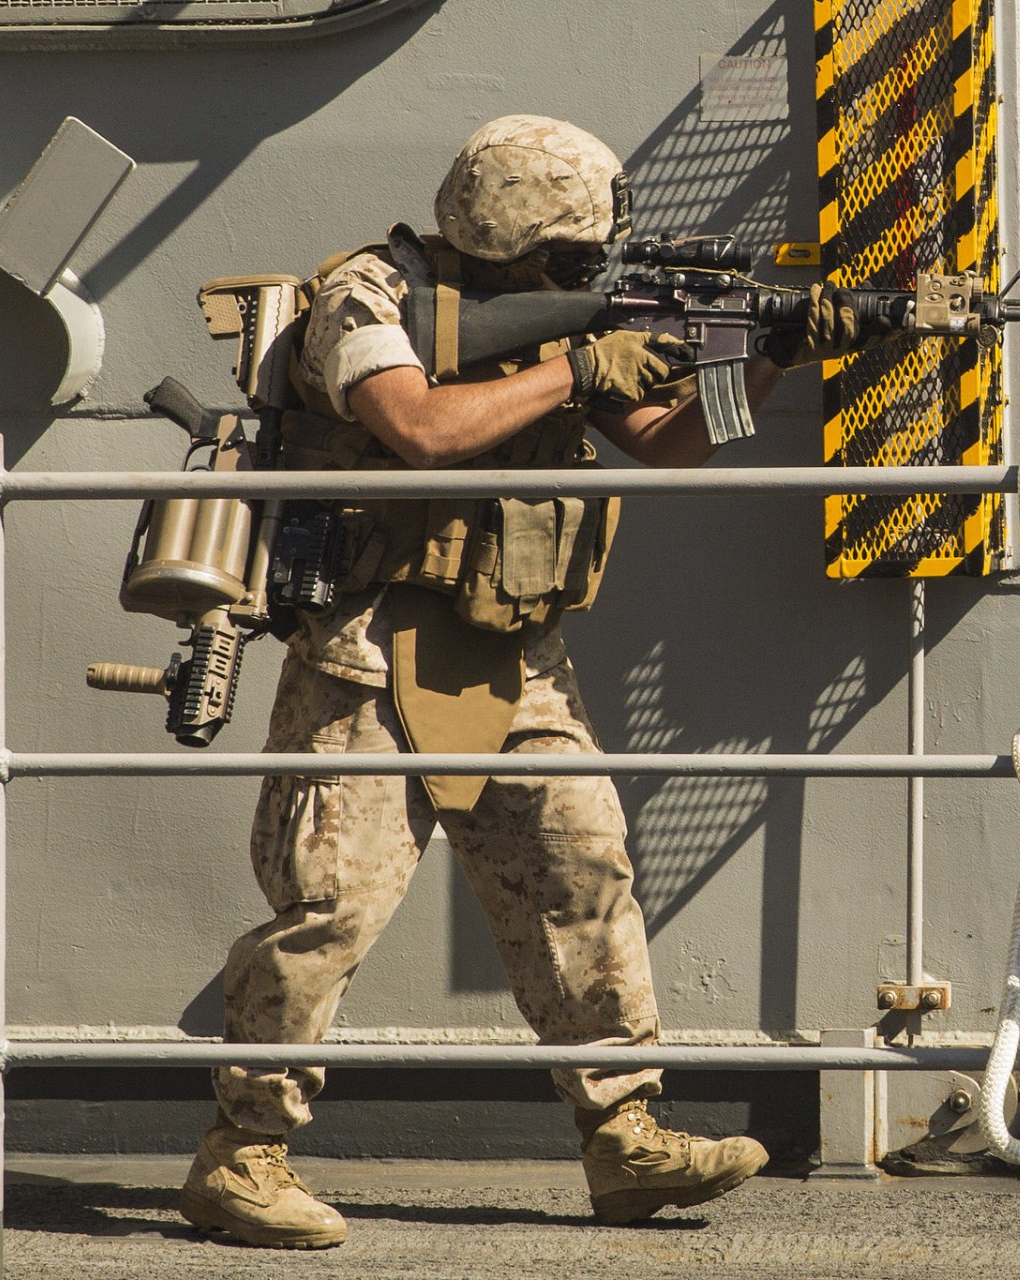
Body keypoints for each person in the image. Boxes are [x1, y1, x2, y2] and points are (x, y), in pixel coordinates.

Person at [176, 114, 886, 1249]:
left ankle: (625, 1138)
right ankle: (241, 1154)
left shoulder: (560, 321)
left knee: (583, 868)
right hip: (369, 646)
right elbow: (414, 425)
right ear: (512, 237)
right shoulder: (371, 297)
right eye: (572, 259)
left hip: (515, 652)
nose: (591, 274)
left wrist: (775, 354)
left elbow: (664, 443)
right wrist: (576, 365)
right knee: (328, 911)